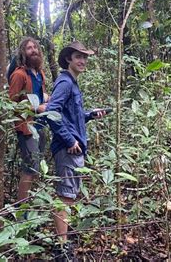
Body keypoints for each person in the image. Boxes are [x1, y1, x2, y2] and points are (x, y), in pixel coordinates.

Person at [46, 41, 107, 260]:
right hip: (68, 149)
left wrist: (90, 115)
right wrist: (69, 140)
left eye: (85, 57)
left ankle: (63, 244)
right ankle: (61, 250)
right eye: (78, 57)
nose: (82, 61)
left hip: (74, 147)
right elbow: (52, 112)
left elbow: (71, 115)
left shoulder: (72, 83)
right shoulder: (64, 82)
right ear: (68, 60)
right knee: (65, 196)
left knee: (69, 196)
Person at [8, 37, 49, 205]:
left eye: (35, 47)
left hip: (41, 125)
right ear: (23, 53)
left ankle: (32, 203)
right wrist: (36, 108)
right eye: (29, 48)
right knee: (30, 168)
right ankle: (21, 211)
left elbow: (41, 95)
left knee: (37, 166)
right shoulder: (19, 75)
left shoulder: (39, 73)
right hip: (26, 128)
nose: (33, 50)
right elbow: (12, 104)